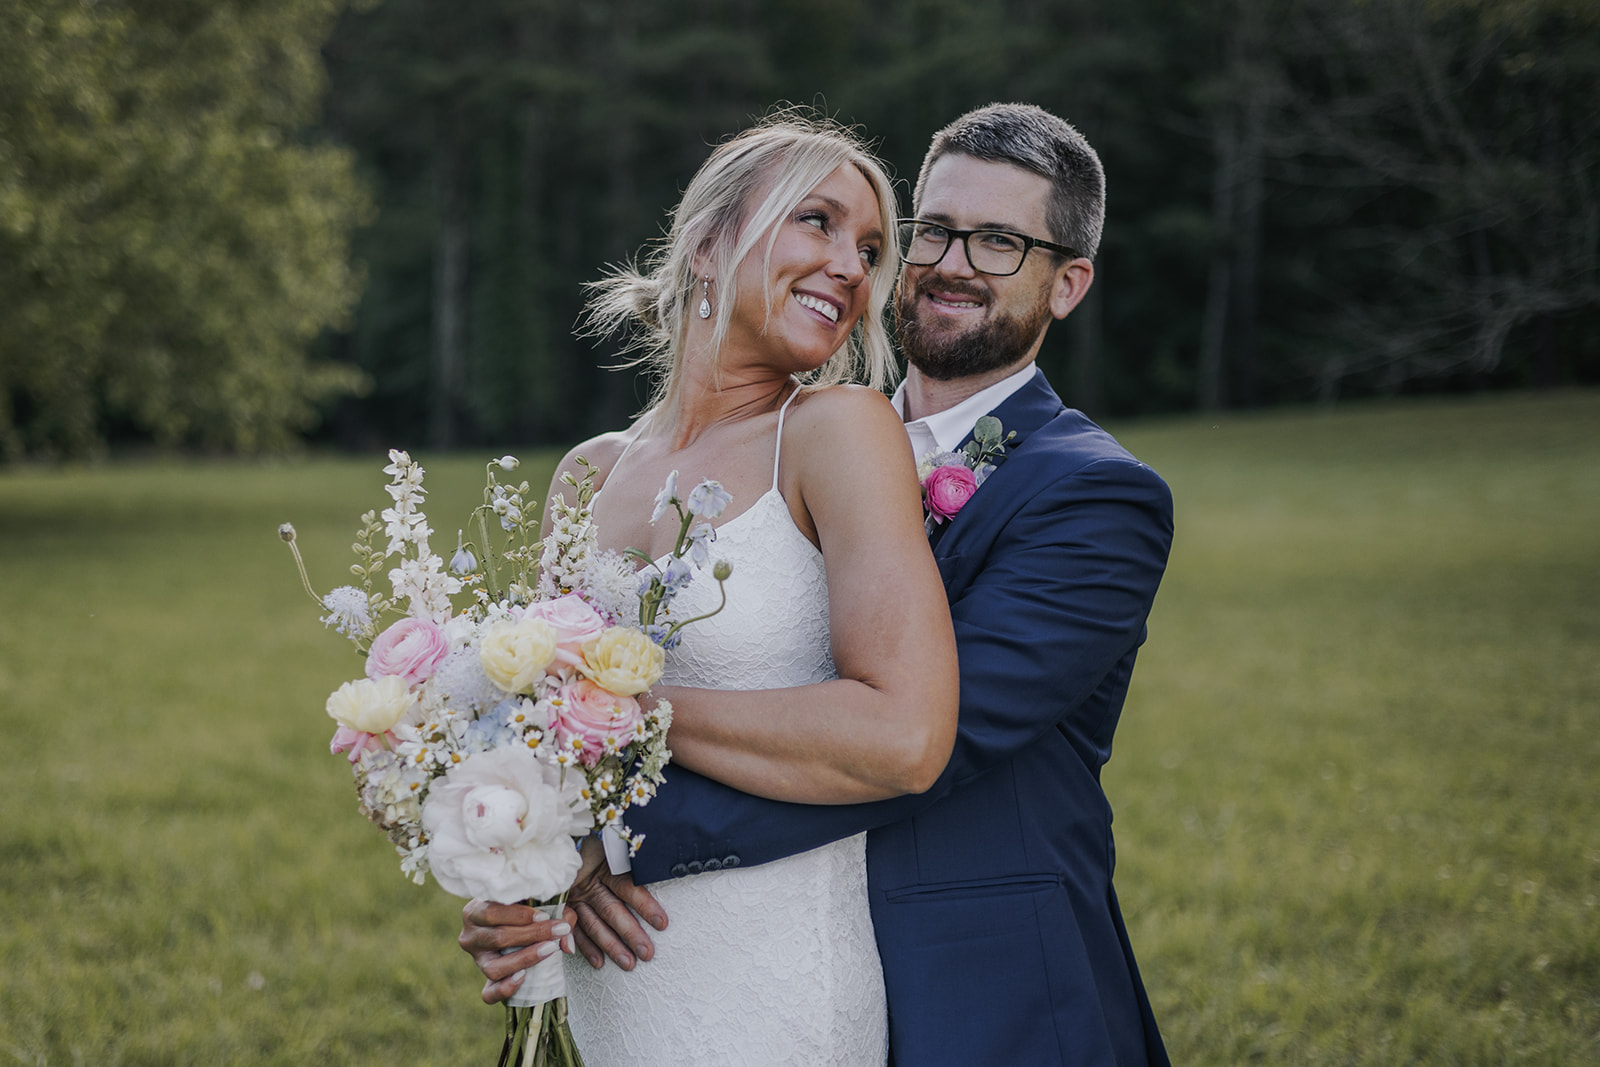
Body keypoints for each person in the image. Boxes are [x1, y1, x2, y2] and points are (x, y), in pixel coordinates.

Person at [466, 102, 1175, 1065]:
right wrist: (521, 857)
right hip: (650, 960)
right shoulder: (801, 436)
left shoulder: (1096, 495)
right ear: (707, 244)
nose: (948, 262)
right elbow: (531, 720)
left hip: (980, 978)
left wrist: (613, 822)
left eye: (1001, 242)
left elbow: (926, 736)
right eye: (932, 232)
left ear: (1068, 284)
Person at [463, 113, 960, 1065]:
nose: (852, 267)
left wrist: (625, 709)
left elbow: (905, 736)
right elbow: (535, 761)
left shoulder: (835, 432)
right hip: (613, 984)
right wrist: (507, 884)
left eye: (868, 249)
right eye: (816, 221)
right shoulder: (586, 475)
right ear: (706, 244)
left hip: (771, 990)